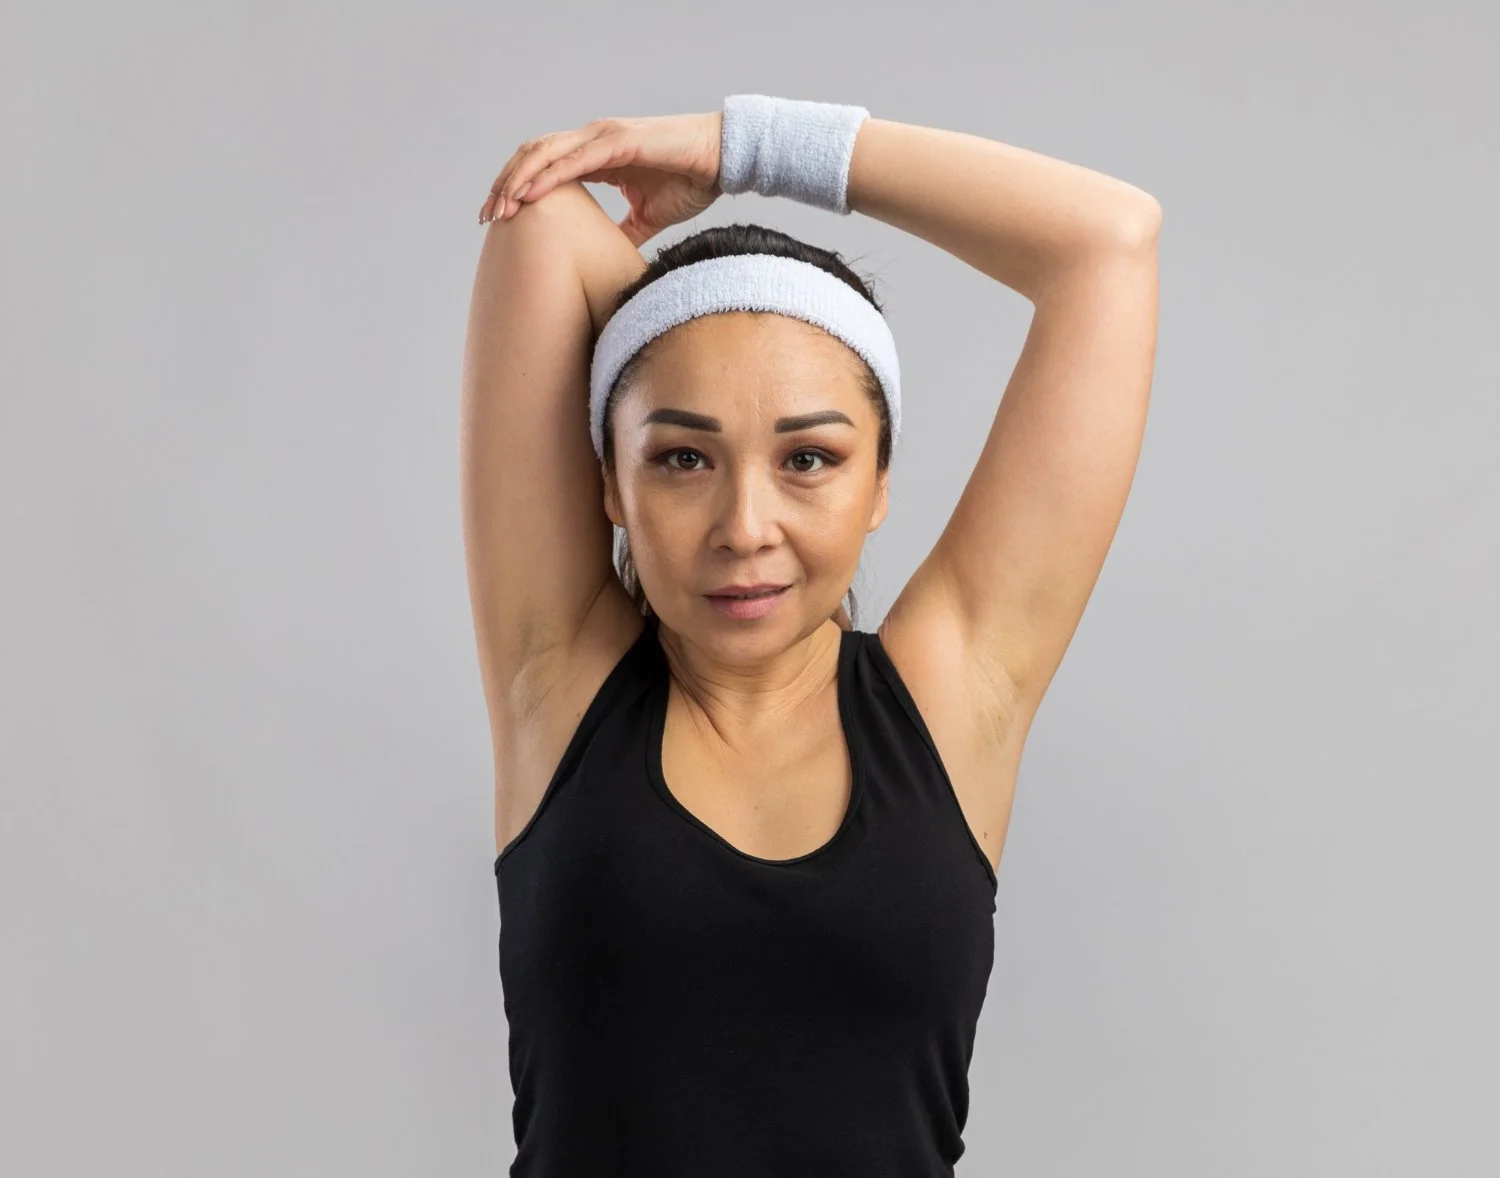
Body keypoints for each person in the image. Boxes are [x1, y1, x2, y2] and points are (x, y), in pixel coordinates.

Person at [460, 94, 1160, 1177]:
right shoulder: (560, 680)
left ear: (881, 481)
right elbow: (541, 222)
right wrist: (693, 314)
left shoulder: (949, 692)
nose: (747, 527)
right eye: (684, 458)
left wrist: (748, 148)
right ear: (609, 481)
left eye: (810, 458)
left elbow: (1105, 245)